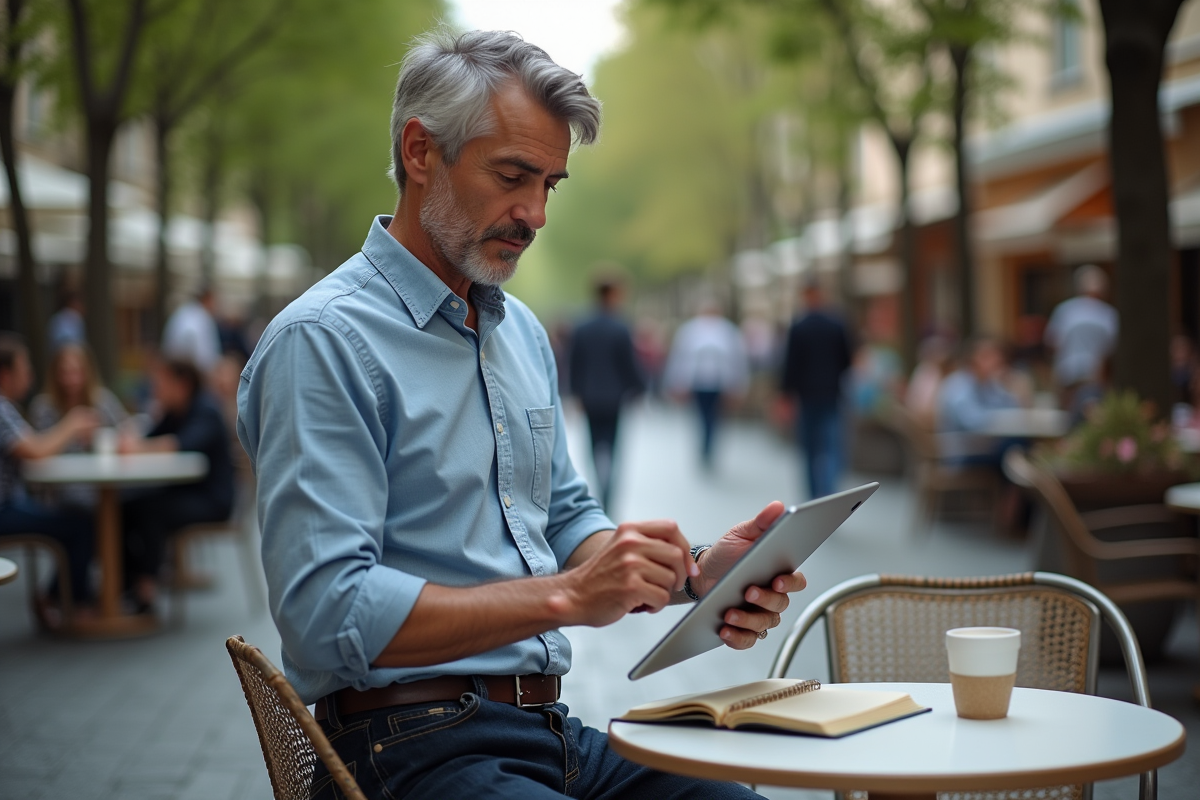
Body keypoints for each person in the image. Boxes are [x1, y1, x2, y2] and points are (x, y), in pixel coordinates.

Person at [237, 30, 804, 800]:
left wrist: (693, 575)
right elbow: (324, 614)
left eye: (551, 185)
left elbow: (565, 519)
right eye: (512, 176)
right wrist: (568, 598)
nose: (534, 213)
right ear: (419, 151)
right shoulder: (324, 342)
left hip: (548, 734)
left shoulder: (520, 333)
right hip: (403, 749)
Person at [120, 358, 234, 611]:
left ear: (181, 384)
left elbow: (179, 445)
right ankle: (127, 583)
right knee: (125, 506)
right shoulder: (174, 411)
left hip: (212, 500)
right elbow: (151, 439)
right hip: (184, 492)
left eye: (160, 383)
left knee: (151, 511)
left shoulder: (206, 409)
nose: (155, 389)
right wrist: (136, 442)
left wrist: (137, 447)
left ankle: (146, 591)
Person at [0, 333, 97, 608]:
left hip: (11, 503)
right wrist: (73, 424)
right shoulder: (2, 408)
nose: (29, 376)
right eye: (25, 369)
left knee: (78, 518)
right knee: (79, 524)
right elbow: (36, 451)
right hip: (4, 509)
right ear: (5, 374)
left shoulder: (8, 408)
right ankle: (74, 604)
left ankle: (59, 597)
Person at [568, 275, 645, 510]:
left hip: (590, 397)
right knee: (613, 447)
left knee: (593, 446)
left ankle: (596, 490)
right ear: (611, 294)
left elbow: (574, 362)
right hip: (615, 397)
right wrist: (639, 388)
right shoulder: (620, 327)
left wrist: (575, 393)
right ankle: (608, 495)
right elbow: (629, 363)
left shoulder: (581, 326)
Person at [29, 344, 128, 511]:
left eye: (76, 372)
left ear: (88, 372)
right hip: (58, 493)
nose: (71, 379)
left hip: (100, 489)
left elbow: (128, 434)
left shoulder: (102, 401)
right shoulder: (43, 407)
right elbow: (36, 452)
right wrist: (69, 428)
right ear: (55, 374)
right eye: (64, 372)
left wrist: (99, 438)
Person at [780, 282, 854, 499]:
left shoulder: (799, 326)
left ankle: (813, 495)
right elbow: (847, 360)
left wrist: (785, 394)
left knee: (810, 448)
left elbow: (790, 365)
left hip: (807, 396)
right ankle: (829, 490)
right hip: (832, 393)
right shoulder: (837, 324)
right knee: (831, 446)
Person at [663, 301, 750, 469]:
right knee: (702, 417)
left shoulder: (728, 330)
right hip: (697, 383)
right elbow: (679, 358)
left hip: (719, 383)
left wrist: (738, 385)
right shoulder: (690, 330)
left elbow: (738, 360)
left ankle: (709, 449)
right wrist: (677, 383)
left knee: (714, 418)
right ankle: (704, 448)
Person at [937, 338, 1021, 466]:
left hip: (983, 448)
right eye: (990, 357)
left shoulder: (988, 383)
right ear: (975, 360)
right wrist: (1000, 420)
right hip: (964, 454)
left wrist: (1009, 384)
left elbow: (1012, 408)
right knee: (1014, 447)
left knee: (1018, 446)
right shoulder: (958, 385)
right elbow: (973, 422)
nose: (998, 361)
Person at [1044, 265, 1117, 408]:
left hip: (1067, 373)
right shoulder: (1109, 314)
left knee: (1068, 418)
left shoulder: (1065, 310)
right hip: (1094, 375)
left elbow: (1053, 343)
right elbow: (1111, 349)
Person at [162, 286, 222, 373]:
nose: (216, 306)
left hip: (175, 369)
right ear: (208, 299)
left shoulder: (182, 312)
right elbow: (204, 356)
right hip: (189, 373)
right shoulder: (202, 316)